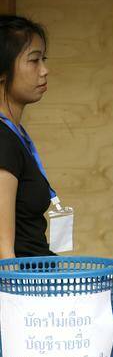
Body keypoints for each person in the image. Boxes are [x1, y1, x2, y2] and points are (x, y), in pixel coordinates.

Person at [0, 16, 57, 259]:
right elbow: (3, 250)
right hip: (21, 279)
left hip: (37, 272)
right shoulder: (3, 140)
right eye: (34, 60)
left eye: (43, 59)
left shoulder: (15, 134)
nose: (44, 70)